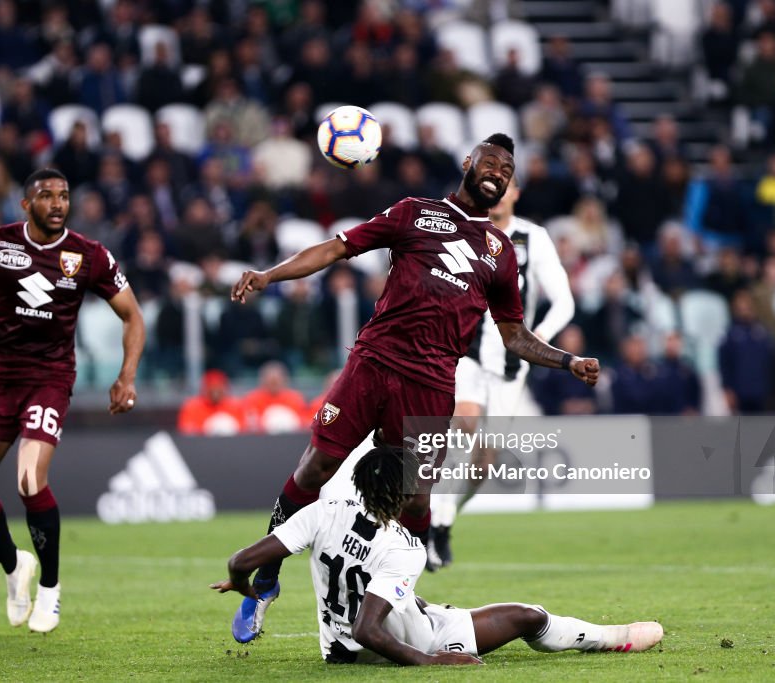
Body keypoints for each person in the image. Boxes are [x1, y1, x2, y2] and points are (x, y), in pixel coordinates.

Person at [227, 134, 600, 643]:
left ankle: (402, 596)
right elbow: (338, 247)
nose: (496, 172)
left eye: (507, 170)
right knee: (316, 465)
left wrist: (567, 360)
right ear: (468, 163)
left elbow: (513, 335)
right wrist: (270, 276)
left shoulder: (501, 254)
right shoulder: (414, 213)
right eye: (489, 161)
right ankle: (267, 575)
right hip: (373, 363)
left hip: (429, 385)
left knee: (417, 501)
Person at [0, 168, 145, 633]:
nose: (58, 203)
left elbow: (133, 316)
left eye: (64, 195)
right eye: (46, 196)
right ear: (26, 205)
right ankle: (14, 567)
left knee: (29, 480)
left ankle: (50, 588)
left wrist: (125, 376)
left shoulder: (90, 256)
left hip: (49, 376)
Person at [211, 446, 663, 665]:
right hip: (402, 645)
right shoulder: (403, 547)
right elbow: (370, 629)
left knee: (412, 604)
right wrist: (432, 661)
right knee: (527, 616)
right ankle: (611, 637)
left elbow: (240, 560)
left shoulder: (321, 512)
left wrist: (245, 585)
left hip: (338, 649)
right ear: (397, 492)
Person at [429, 177, 575, 569]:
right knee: (463, 424)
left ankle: (446, 518)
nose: (496, 194)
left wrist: (537, 339)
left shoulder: (533, 237)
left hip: (512, 362)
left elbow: (564, 301)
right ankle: (435, 523)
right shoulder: (464, 231)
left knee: (484, 463)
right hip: (465, 351)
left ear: (515, 194)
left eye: (504, 187)